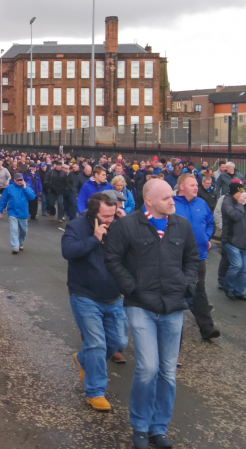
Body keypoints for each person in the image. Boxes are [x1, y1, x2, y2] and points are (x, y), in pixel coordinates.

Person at [103, 179, 197, 449]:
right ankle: (140, 427)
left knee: (168, 372)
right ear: (150, 202)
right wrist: (132, 287)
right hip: (140, 305)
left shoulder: (181, 225)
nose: (172, 201)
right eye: (166, 197)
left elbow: (192, 258)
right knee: (147, 368)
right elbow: (113, 258)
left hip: (173, 306)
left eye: (172, 196)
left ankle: (159, 428)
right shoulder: (128, 225)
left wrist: (187, 285)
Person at [63, 191, 128, 412]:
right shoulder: (77, 227)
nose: (110, 220)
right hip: (85, 295)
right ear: (93, 212)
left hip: (114, 295)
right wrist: (94, 239)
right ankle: (95, 392)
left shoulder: (120, 225)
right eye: (106, 216)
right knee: (97, 343)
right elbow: (67, 251)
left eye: (113, 215)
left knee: (119, 342)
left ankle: (83, 359)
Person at [172, 173, 220, 341]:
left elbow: (209, 222)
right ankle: (171, 332)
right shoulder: (171, 204)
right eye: (192, 185)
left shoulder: (201, 203)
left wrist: (207, 237)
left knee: (199, 290)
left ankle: (207, 328)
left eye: (196, 185)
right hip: (176, 257)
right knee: (177, 291)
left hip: (199, 255)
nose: (196, 187)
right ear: (182, 187)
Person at [220, 180, 246, 301]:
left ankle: (239, 292)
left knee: (244, 269)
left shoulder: (245, 202)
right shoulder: (227, 202)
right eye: (240, 193)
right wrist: (241, 204)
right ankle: (228, 287)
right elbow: (234, 216)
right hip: (232, 240)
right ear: (234, 193)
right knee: (236, 265)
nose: (243, 195)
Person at [0, 172, 36, 254]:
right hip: (12, 212)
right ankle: (15, 247)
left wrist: (25, 188)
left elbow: (32, 197)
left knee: (24, 230)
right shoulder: (9, 188)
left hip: (23, 212)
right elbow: (3, 200)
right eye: (17, 180)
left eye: (21, 180)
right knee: (14, 229)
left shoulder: (27, 187)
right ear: (14, 180)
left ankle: (20, 242)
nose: (19, 181)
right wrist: (0, 210)